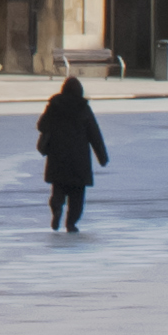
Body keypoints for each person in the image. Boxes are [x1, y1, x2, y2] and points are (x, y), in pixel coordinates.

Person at [35, 74, 108, 232]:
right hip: (79, 160)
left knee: (58, 189)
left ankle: (57, 208)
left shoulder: (54, 105)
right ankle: (71, 223)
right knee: (77, 196)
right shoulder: (84, 108)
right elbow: (94, 134)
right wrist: (102, 157)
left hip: (58, 157)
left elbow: (41, 125)